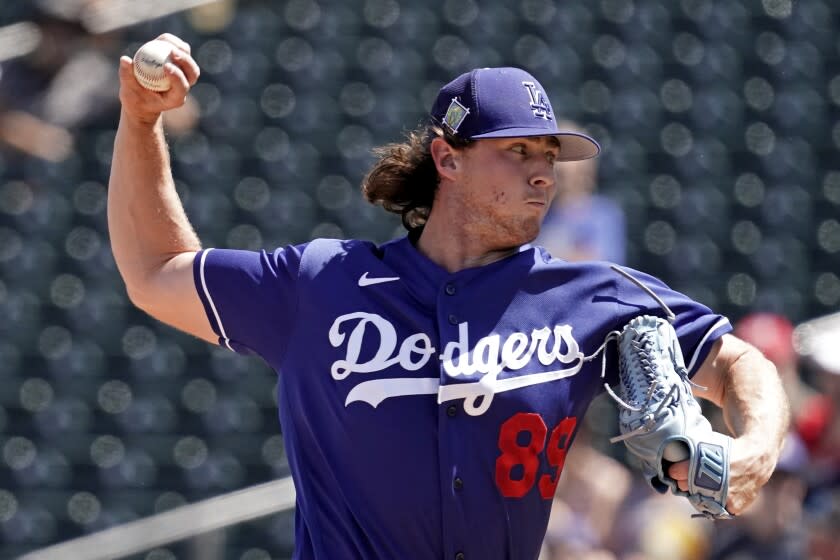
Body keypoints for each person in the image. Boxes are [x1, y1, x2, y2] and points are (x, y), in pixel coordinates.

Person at [109, 33, 790, 560]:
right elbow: (157, 268)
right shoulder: (321, 284)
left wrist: (755, 447)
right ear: (447, 159)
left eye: (549, 156)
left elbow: (739, 362)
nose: (542, 174)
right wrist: (140, 123)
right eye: (517, 152)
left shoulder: (590, 297)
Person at [534, 120, 626, 264]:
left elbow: (601, 264)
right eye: (552, 156)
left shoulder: (602, 214)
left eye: (567, 156)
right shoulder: (538, 212)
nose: (559, 165)